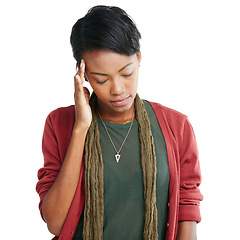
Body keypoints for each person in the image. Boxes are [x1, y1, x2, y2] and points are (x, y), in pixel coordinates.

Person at [36, 5, 203, 240]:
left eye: (126, 73)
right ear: (82, 75)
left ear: (139, 58)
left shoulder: (177, 126)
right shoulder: (60, 123)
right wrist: (81, 128)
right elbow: (55, 223)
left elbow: (187, 206)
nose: (117, 89)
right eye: (101, 79)